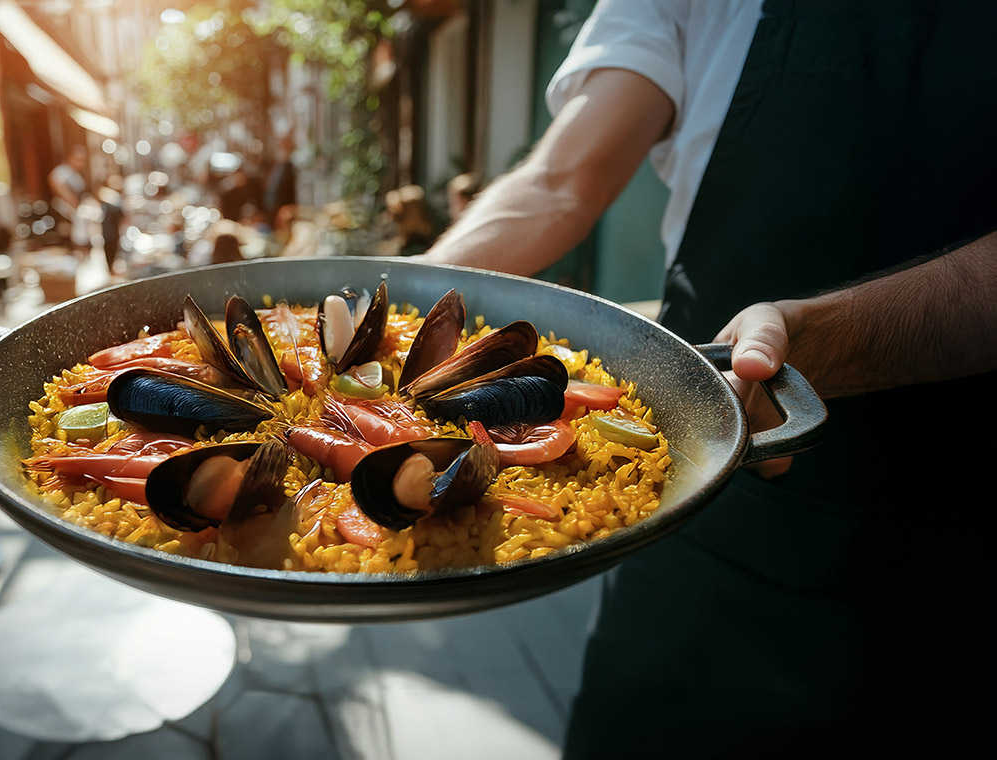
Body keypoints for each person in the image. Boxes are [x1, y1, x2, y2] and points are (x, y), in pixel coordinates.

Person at [421, 1, 997, 757]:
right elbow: (560, 181)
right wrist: (413, 302)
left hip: (966, 559)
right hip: (707, 502)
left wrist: (835, 339)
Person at [48, 145, 89, 252]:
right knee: (80, 217)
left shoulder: (76, 174)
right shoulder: (62, 171)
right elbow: (58, 187)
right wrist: (74, 204)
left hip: (77, 205)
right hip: (64, 206)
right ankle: (78, 246)